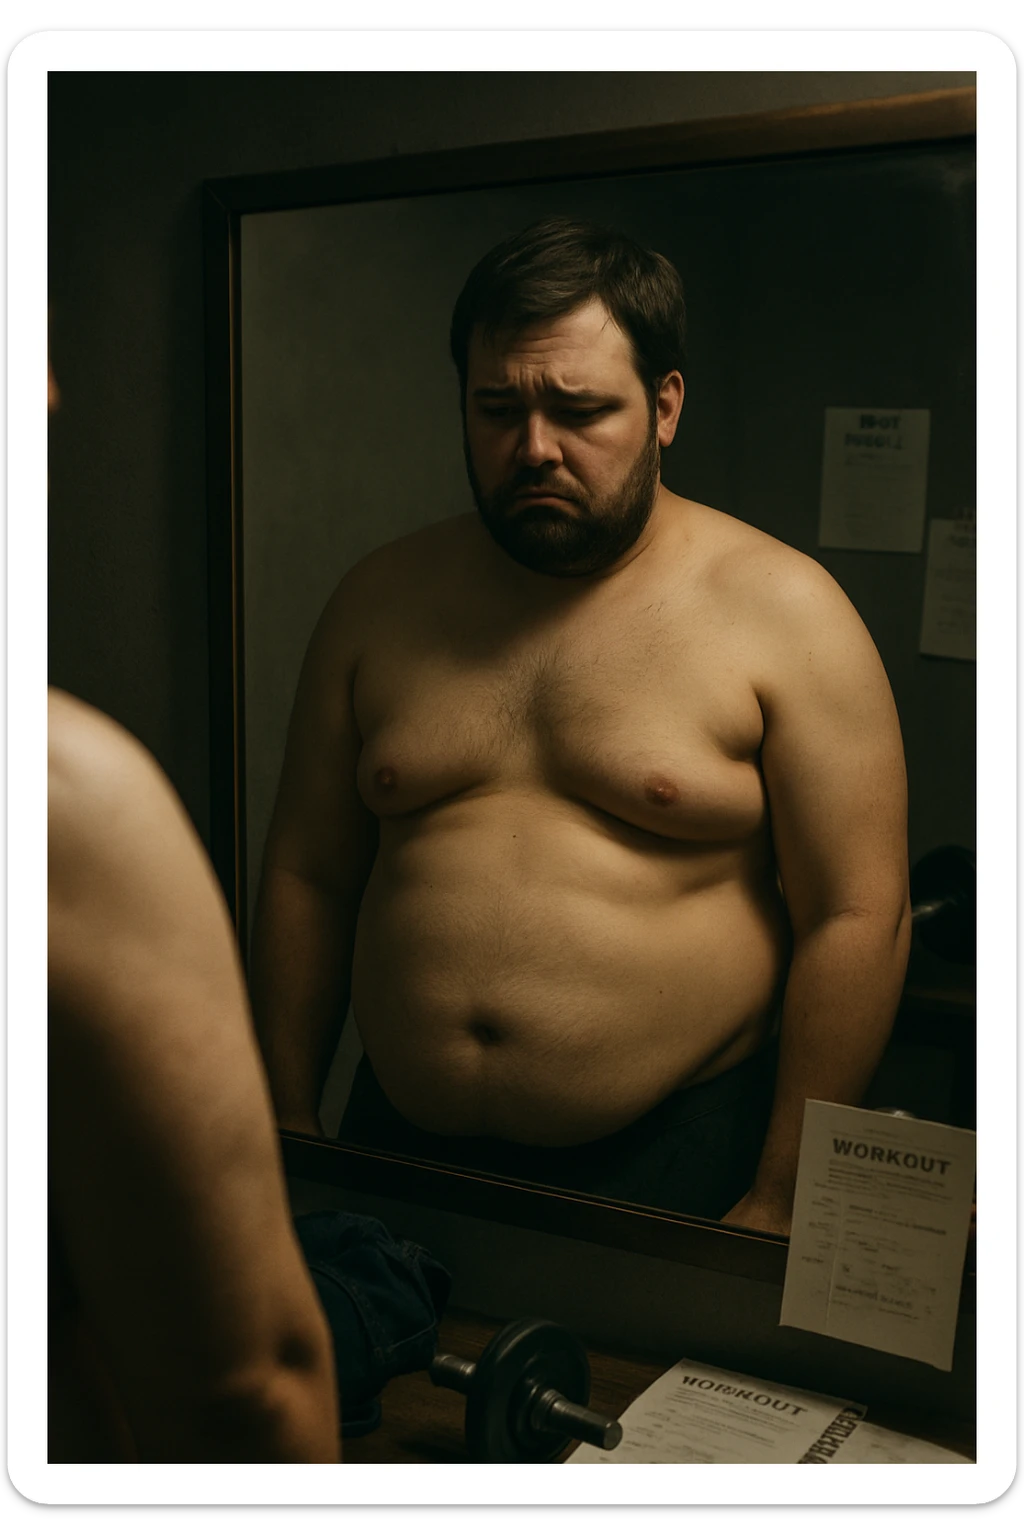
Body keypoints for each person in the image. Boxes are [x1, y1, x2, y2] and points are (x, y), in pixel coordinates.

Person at [250, 216, 912, 1235]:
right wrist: (285, 1113)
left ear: (665, 407)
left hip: (678, 1159)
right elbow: (308, 872)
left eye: (579, 410)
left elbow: (857, 915)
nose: (534, 448)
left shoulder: (785, 610)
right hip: (394, 1145)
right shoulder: (378, 600)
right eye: (496, 408)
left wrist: (784, 1194)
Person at [47, 351, 340, 1462]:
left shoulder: (775, 608)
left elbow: (857, 911)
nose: (52, 390)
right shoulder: (60, 805)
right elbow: (244, 1400)